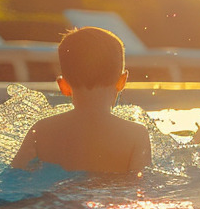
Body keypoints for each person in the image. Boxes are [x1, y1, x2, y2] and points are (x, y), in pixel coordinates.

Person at [12, 26, 152, 174]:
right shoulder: (135, 134)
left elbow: (13, 178)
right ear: (122, 81)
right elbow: (140, 187)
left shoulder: (40, 130)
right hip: (109, 195)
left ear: (63, 85)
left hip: (53, 195)